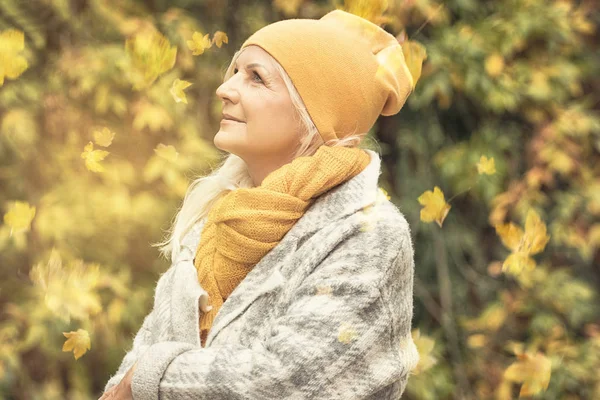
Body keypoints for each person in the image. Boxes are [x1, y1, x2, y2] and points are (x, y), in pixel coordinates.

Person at [101, 8, 420, 400]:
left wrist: (151, 378)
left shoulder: (369, 233)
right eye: (235, 72)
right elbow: (133, 368)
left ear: (316, 113)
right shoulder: (217, 221)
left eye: (256, 78)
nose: (226, 89)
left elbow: (284, 382)